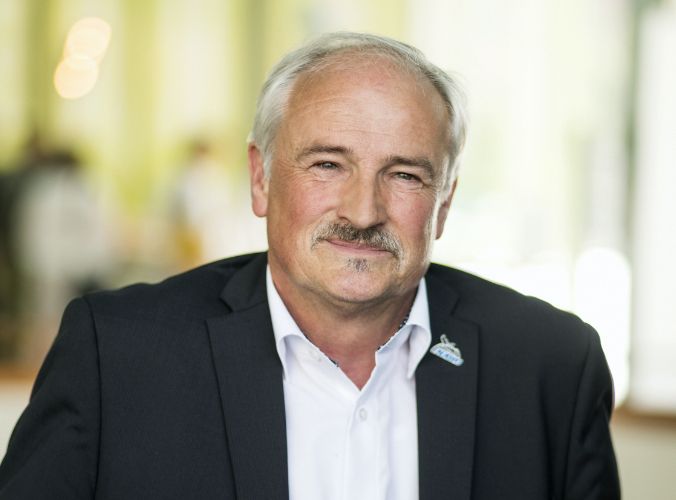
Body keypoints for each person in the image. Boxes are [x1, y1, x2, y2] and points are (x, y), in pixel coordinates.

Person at [0, 32, 620, 499]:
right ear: (261, 179)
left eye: (405, 175)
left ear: (444, 204)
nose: (363, 211)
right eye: (327, 164)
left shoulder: (552, 366)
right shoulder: (117, 354)